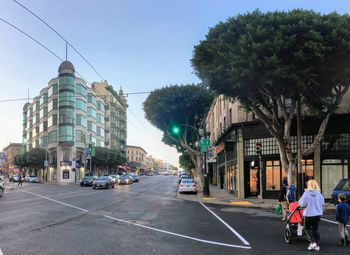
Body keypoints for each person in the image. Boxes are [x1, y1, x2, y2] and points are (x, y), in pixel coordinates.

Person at [299, 179, 324, 252]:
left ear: (308, 185)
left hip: (309, 214)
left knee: (306, 228)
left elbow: (302, 204)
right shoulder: (319, 193)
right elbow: (322, 202)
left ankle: (313, 242)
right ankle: (317, 245)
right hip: (318, 214)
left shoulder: (306, 193)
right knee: (315, 229)